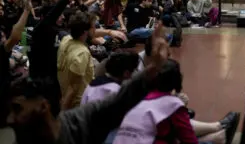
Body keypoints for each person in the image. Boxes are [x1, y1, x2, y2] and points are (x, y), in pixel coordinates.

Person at [7, 23, 171, 144]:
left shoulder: (75, 124)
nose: (10, 119)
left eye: (17, 109)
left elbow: (118, 101)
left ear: (44, 106)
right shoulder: (81, 55)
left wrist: (154, 68)